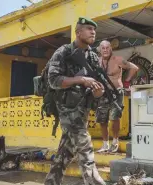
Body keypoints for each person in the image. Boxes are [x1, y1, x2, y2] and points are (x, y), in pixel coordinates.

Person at [44, 17, 106, 185]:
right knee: (85, 150)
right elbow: (53, 80)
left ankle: (51, 182)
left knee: (65, 154)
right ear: (78, 32)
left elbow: (95, 90)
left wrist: (98, 92)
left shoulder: (93, 57)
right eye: (88, 28)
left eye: (94, 29)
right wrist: (80, 80)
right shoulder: (63, 52)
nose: (93, 32)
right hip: (67, 109)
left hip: (83, 110)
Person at [96, 40, 138, 153]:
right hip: (103, 93)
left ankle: (115, 142)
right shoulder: (97, 61)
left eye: (107, 47)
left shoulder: (117, 60)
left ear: (111, 49)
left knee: (114, 118)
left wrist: (127, 82)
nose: (105, 50)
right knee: (102, 120)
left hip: (116, 92)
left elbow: (134, 68)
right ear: (100, 50)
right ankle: (105, 144)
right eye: (103, 48)